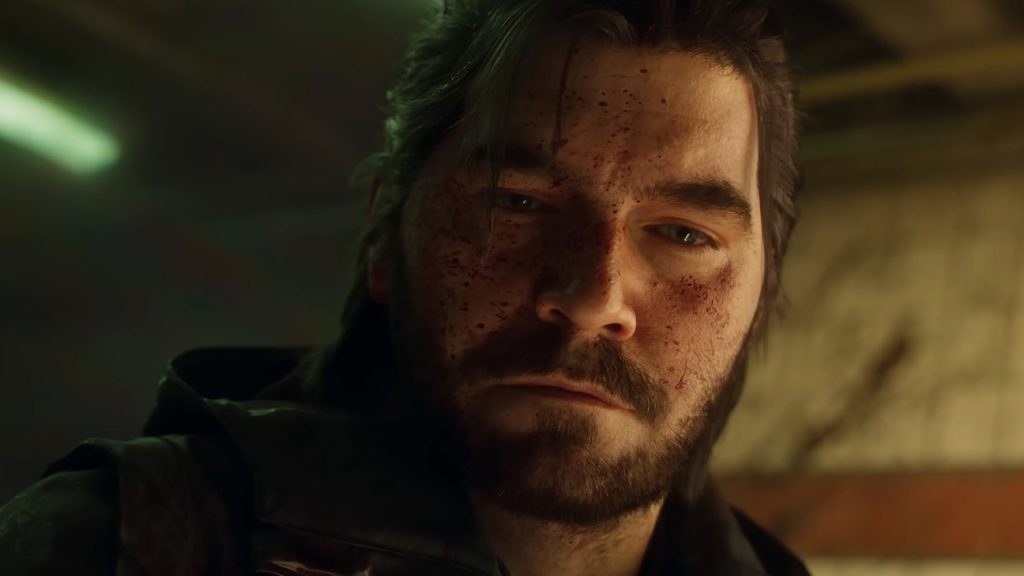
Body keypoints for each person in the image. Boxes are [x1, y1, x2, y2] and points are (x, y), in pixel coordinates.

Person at [0, 0, 805, 574]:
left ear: (759, 293)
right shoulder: (113, 543)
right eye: (516, 203)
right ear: (389, 235)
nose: (595, 297)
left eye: (685, 235)